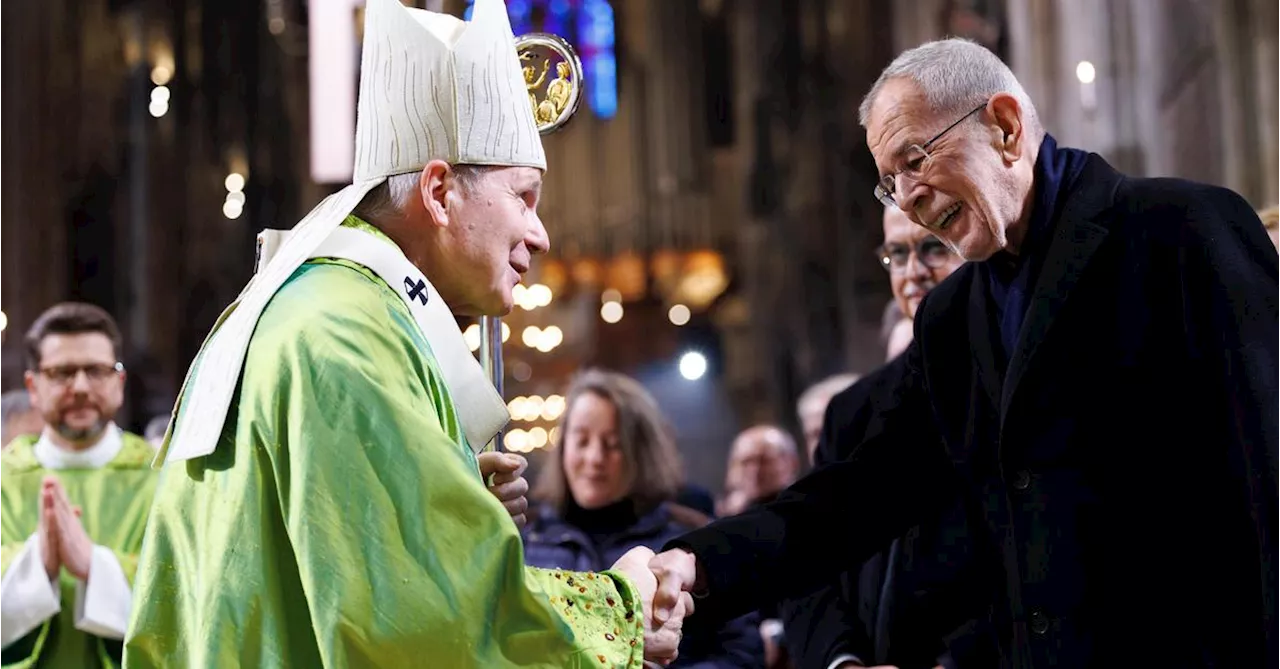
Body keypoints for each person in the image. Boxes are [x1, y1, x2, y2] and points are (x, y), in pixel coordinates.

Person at [649, 37, 1280, 668]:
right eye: (889, 183)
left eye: (915, 160)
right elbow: (860, 494)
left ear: (1005, 128)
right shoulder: (953, 320)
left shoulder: (1181, 231)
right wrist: (700, 562)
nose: (908, 199)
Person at [123, 0, 690, 666]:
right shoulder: (348, 338)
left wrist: (439, 492)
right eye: (523, 197)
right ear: (440, 190)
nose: (539, 234)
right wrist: (620, 605)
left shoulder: (329, 306)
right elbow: (430, 629)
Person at [779, 206, 986, 669]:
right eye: (897, 253)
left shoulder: (1008, 383)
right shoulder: (851, 411)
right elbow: (808, 564)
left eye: (933, 247)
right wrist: (842, 661)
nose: (913, 273)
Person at [523, 369, 763, 668]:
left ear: (641, 451)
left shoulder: (691, 539)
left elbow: (743, 653)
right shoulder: (524, 538)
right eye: (581, 441)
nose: (594, 458)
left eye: (612, 444)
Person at [0, 302, 158, 668]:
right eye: (62, 373)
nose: (82, 387)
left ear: (119, 382)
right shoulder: (5, 480)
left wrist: (94, 565)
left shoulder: (162, 481)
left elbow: (187, 597)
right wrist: (37, 564)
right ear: (33, 385)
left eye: (97, 371)